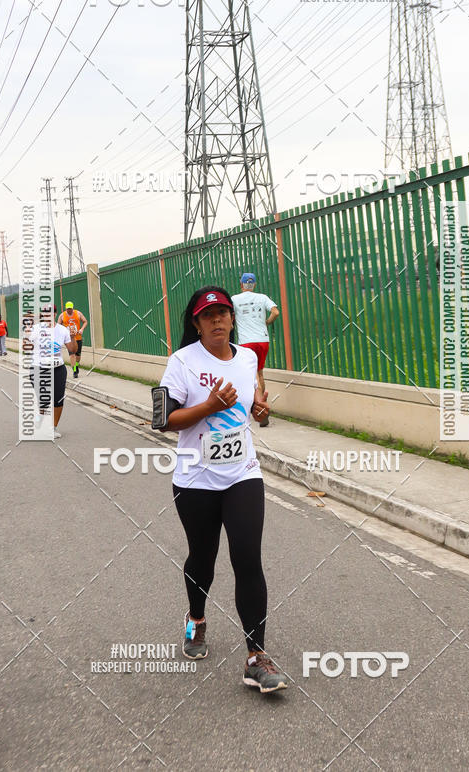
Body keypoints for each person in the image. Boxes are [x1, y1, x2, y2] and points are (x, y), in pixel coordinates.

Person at [157, 285, 288, 694]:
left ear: (232, 318)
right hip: (196, 478)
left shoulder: (247, 358)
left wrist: (259, 412)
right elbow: (163, 419)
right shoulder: (181, 362)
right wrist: (208, 407)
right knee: (204, 558)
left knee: (248, 557)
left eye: (223, 313)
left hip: (242, 473)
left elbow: (250, 409)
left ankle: (256, 656)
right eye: (208, 315)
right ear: (195, 323)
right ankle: (196, 617)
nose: (218, 320)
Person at [231, 273, 279, 426]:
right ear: (255, 285)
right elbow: (276, 312)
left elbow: (229, 315)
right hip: (263, 340)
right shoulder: (262, 297)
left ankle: (257, 409)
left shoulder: (234, 299)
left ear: (241, 284)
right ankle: (261, 406)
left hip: (246, 343)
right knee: (259, 373)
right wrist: (267, 322)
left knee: (250, 375)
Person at [25, 305, 77, 438]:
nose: (48, 315)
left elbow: (73, 350)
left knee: (58, 399)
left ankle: (53, 428)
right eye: (45, 312)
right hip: (38, 368)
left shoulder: (62, 330)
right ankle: (40, 416)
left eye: (51, 312)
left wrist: (73, 336)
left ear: (55, 314)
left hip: (58, 368)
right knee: (44, 399)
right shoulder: (36, 329)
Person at [57, 302, 87, 379]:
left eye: (70, 309)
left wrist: (82, 329)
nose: (69, 310)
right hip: (69, 339)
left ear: (72, 308)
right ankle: (74, 371)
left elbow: (85, 321)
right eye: (68, 309)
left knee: (78, 355)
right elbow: (58, 326)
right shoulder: (62, 316)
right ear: (66, 308)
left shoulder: (78, 313)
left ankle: (76, 366)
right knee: (72, 354)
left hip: (78, 337)